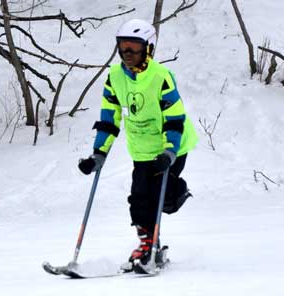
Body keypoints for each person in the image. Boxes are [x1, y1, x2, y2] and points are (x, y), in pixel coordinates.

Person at [78, 19, 198, 270]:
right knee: (138, 197)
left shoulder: (161, 77)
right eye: (123, 47)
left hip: (172, 147)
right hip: (141, 148)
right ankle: (147, 244)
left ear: (148, 48)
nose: (127, 53)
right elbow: (109, 119)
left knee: (156, 193)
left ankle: (173, 199)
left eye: (134, 47)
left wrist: (170, 150)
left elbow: (175, 118)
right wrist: (98, 154)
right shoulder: (114, 78)